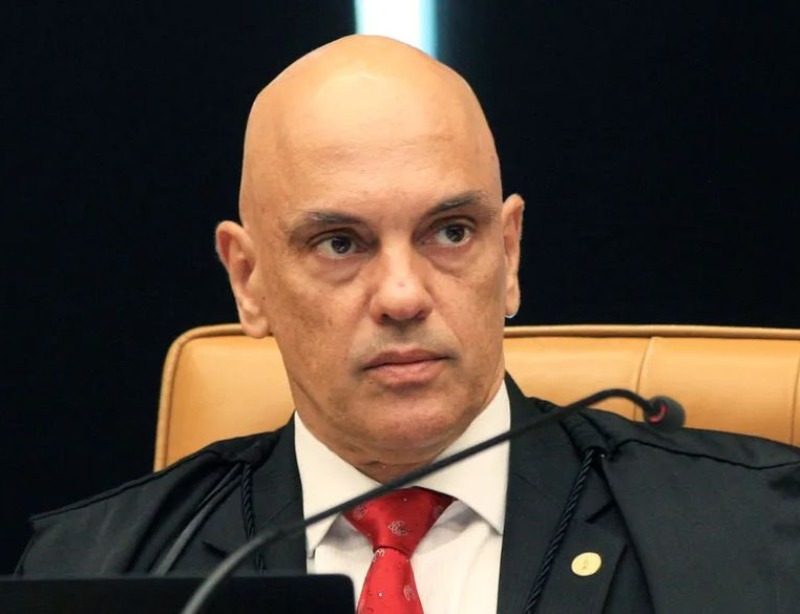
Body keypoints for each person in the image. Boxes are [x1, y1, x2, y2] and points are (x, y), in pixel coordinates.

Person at [17, 35, 800, 613]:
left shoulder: (760, 532)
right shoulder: (93, 570)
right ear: (249, 281)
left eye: (450, 232)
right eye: (340, 243)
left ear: (509, 253)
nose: (402, 295)